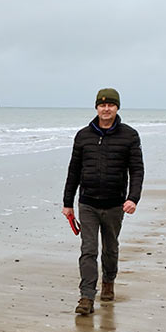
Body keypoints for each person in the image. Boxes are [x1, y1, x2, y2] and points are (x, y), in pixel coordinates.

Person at [62, 88, 145, 315]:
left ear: (117, 107)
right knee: (88, 250)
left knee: (110, 248)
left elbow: (137, 170)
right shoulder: (83, 136)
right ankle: (86, 297)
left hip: (115, 204)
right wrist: (67, 203)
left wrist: (133, 198)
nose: (106, 109)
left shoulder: (129, 135)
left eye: (110, 105)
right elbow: (73, 171)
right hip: (87, 202)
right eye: (102, 105)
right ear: (96, 107)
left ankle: (108, 283)